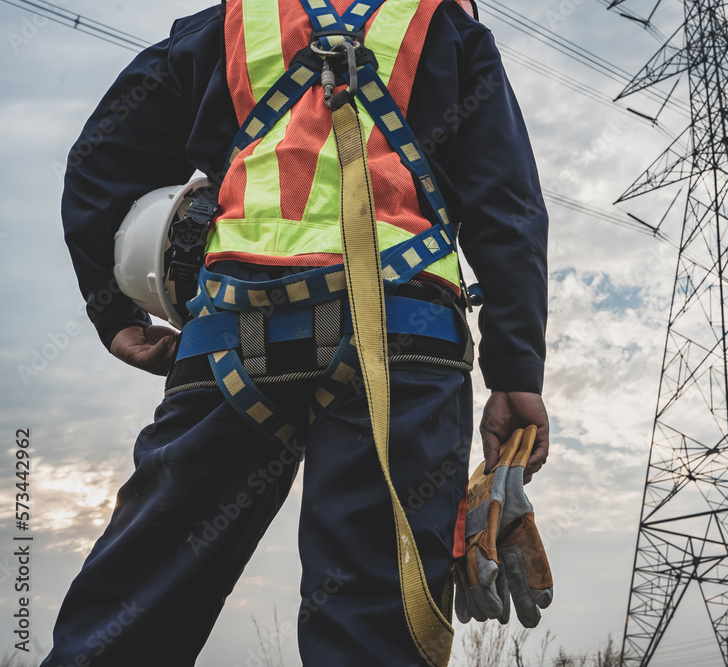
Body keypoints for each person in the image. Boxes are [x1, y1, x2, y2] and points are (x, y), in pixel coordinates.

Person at [45, 0, 548, 664]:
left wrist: (116, 315)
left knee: (132, 607)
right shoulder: (445, 27)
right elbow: (506, 205)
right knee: (372, 624)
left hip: (228, 337)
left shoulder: (231, 23)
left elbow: (99, 157)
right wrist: (514, 371)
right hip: (404, 342)